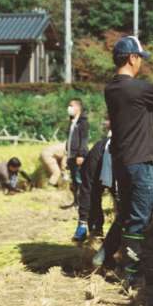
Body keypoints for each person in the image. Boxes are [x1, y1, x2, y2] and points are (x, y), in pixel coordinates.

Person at [93, 35, 153, 289]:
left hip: (121, 162)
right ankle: (131, 274)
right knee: (140, 217)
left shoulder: (113, 88)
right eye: (139, 59)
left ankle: (104, 255)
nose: (141, 64)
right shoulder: (135, 88)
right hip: (140, 163)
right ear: (132, 58)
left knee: (125, 212)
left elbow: (148, 95)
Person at [73, 118, 116, 242]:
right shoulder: (100, 147)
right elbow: (87, 188)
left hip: (119, 154)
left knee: (119, 195)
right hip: (99, 155)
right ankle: (90, 227)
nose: (106, 123)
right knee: (92, 193)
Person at [67, 99, 90, 239]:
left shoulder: (83, 123)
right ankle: (76, 202)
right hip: (71, 156)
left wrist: (81, 154)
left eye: (71, 106)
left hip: (78, 156)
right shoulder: (71, 122)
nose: (69, 108)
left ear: (78, 108)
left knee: (80, 181)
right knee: (74, 182)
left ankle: (82, 205)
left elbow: (84, 139)